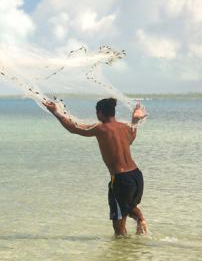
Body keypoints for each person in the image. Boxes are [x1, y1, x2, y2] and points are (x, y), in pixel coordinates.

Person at [43, 98, 149, 236]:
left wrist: (56, 112)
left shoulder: (101, 128)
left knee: (118, 228)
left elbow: (73, 128)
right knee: (127, 206)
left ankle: (121, 253)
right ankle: (141, 221)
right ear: (113, 112)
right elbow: (131, 137)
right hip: (136, 176)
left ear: (99, 113)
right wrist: (135, 120)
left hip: (121, 179)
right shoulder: (125, 127)